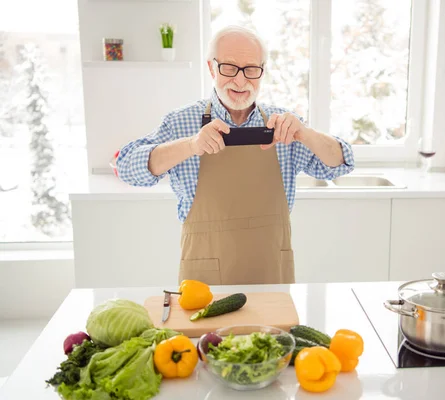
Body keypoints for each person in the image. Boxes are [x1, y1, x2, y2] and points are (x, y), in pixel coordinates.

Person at [116, 25, 354, 286]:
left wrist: (306, 133)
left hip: (271, 273)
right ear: (211, 68)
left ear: (262, 71)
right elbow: (127, 167)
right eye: (229, 67)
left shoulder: (284, 125)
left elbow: (341, 164)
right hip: (204, 280)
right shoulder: (180, 122)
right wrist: (191, 145)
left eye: (251, 70)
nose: (240, 81)